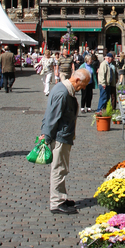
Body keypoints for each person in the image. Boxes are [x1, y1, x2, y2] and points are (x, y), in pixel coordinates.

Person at [39, 68, 90, 215]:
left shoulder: (64, 89)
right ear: (77, 80)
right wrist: (46, 137)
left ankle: (61, 196)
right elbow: (52, 117)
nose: (84, 88)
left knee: (62, 168)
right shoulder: (62, 93)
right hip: (60, 137)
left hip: (64, 135)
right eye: (84, 84)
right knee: (58, 169)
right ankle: (56, 202)